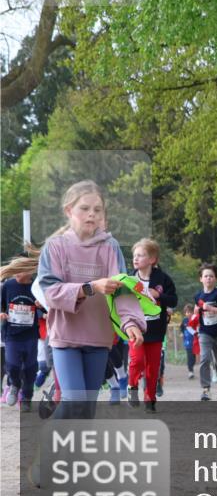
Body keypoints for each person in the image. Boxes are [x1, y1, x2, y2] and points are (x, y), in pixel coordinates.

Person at [35, 180, 145, 420]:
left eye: (97, 209)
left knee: (86, 411)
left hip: (99, 337)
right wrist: (90, 287)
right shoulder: (55, 247)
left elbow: (122, 290)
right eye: (85, 208)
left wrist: (131, 323)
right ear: (69, 211)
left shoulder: (110, 247)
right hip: (65, 336)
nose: (92, 214)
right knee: (74, 402)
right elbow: (50, 292)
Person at [126, 238, 177, 413]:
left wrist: (158, 296)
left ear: (152, 259)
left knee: (152, 367)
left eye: (140, 255)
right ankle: (132, 386)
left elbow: (173, 300)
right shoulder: (129, 279)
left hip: (156, 330)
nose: (136, 258)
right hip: (135, 329)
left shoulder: (163, 279)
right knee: (137, 361)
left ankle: (150, 399)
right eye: (135, 255)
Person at [1, 252, 43, 411]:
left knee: (30, 369)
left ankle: (27, 397)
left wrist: (41, 306)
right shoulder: (8, 285)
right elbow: (2, 305)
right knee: (12, 365)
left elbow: (48, 307)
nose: (17, 272)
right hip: (11, 334)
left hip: (31, 334)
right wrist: (1, 313)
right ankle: (14, 385)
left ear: (30, 270)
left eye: (21, 269)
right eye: (15, 269)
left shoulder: (37, 287)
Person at [194, 263, 217, 401]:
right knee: (204, 358)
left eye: (211, 276)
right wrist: (198, 310)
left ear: (215, 279)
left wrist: (212, 309)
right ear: (201, 279)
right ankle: (206, 389)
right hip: (205, 331)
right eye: (206, 276)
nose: (208, 278)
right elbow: (198, 309)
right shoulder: (198, 296)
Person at [181, 304, 197, 379]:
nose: (188, 313)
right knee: (189, 356)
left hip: (195, 341)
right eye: (187, 312)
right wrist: (181, 333)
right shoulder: (184, 320)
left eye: (190, 312)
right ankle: (190, 371)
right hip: (187, 342)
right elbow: (181, 327)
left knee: (193, 358)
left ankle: (192, 367)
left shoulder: (195, 319)